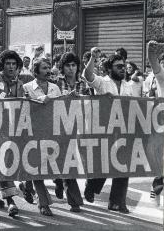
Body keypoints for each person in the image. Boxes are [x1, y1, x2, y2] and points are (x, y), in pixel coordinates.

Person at [83, 48, 133, 213]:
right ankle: (92, 185)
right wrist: (93, 57)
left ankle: (117, 202)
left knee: (124, 166)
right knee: (105, 163)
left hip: (124, 130)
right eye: (118, 66)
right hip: (104, 130)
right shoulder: (102, 82)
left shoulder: (129, 85)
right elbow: (87, 75)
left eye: (123, 66)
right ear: (109, 68)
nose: (122, 68)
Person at [0, 34, 23, 217]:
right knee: (1, 163)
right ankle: (10, 201)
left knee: (0, 163)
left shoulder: (20, 84)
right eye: (7, 64)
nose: (10, 67)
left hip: (11, 129)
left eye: (13, 64)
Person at [22, 58, 60, 216]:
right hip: (33, 132)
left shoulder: (55, 87)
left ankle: (26, 185)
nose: (48, 70)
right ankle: (43, 203)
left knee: (48, 167)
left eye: (49, 67)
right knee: (37, 168)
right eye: (44, 68)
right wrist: (41, 100)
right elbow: (23, 107)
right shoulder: (26, 87)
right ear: (36, 71)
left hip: (52, 132)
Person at [53, 52, 90, 211]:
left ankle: (61, 183)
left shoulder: (83, 83)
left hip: (78, 126)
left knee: (71, 161)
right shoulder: (55, 82)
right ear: (62, 67)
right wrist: (68, 97)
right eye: (68, 65)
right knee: (64, 160)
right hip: (59, 127)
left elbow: (90, 104)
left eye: (74, 65)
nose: (71, 68)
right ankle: (73, 198)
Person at [147, 41, 164, 204]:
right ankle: (156, 192)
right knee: (161, 163)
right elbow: (154, 63)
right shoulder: (162, 76)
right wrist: (151, 51)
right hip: (162, 126)